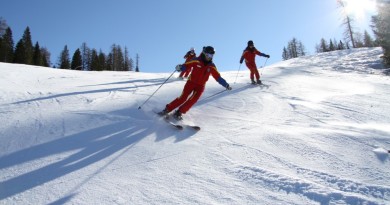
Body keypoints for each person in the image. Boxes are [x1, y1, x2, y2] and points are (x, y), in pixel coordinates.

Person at [159, 46, 232, 120]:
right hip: (191, 83)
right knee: (183, 98)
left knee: (193, 100)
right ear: (204, 53)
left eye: (212, 55)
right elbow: (186, 65)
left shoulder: (212, 66)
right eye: (208, 55)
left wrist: (226, 84)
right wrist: (181, 67)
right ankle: (167, 109)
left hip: (200, 86)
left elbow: (218, 77)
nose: (210, 57)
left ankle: (179, 112)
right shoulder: (196, 60)